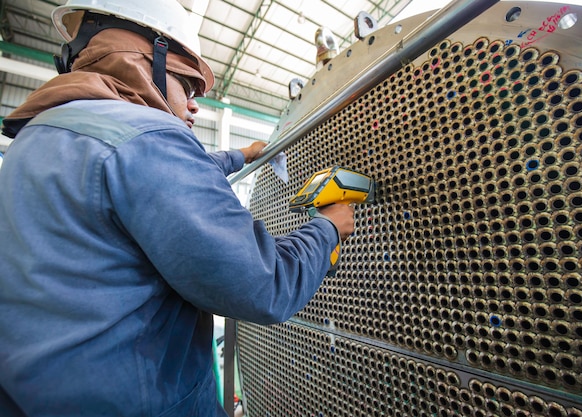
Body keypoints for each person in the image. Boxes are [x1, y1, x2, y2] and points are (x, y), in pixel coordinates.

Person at [0, 0, 355, 416]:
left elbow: (159, 173)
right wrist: (329, 227)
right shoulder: (149, 139)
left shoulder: (42, 135)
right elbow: (266, 284)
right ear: (147, 59)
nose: (194, 105)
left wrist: (242, 154)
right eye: (187, 86)